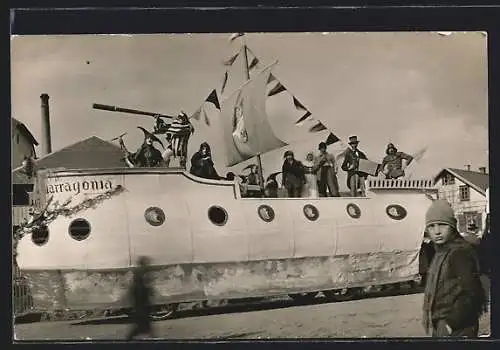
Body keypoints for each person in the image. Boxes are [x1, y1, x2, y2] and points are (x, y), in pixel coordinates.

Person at [422, 200, 488, 338]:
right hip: (445, 324)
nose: (437, 231)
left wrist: (450, 323)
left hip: (459, 327)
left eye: (442, 225)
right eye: (431, 226)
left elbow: (472, 292)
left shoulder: (459, 253)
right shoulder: (441, 252)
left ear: (452, 226)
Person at [126, 256, 156, 340]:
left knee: (145, 324)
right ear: (143, 263)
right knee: (142, 325)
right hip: (141, 303)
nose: (148, 265)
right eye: (146, 263)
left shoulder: (141, 272)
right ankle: (128, 339)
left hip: (141, 303)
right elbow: (139, 289)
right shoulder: (140, 273)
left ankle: (152, 337)